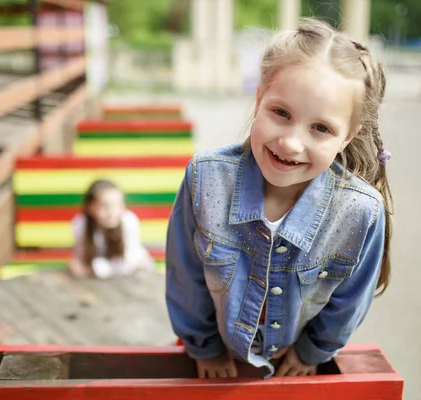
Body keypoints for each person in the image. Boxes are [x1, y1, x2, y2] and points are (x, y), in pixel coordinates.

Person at [165, 18, 393, 379]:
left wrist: (311, 352)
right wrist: (204, 347)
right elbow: (185, 275)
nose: (290, 143)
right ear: (259, 99)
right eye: (281, 113)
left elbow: (350, 300)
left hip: (294, 366)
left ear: (348, 136)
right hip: (216, 357)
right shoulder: (205, 178)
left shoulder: (360, 211)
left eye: (321, 128)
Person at [69, 179, 155, 279]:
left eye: (118, 205)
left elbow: (130, 264)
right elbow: (79, 261)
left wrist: (94, 268)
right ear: (90, 207)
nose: (112, 212)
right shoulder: (81, 224)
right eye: (105, 206)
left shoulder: (129, 222)